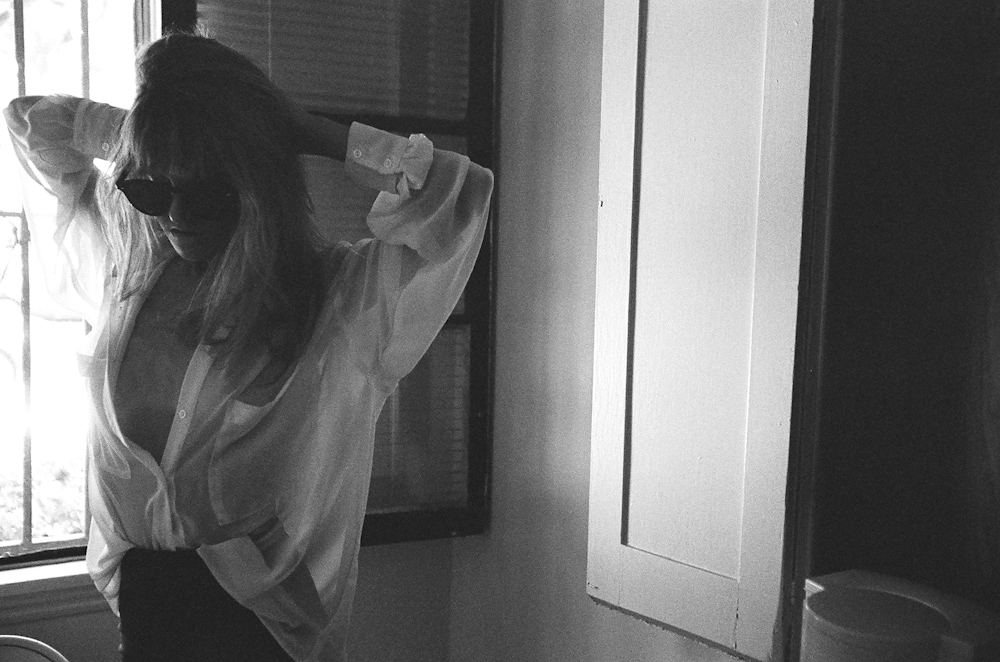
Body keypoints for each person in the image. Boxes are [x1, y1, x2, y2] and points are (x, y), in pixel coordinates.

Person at [4, 31, 493, 662]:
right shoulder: (123, 274)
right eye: (151, 188)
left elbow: (456, 197)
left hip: (264, 637)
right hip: (146, 631)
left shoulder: (338, 304)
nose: (174, 215)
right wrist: (168, 128)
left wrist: (293, 129)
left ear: (258, 187)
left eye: (206, 191)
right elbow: (31, 123)